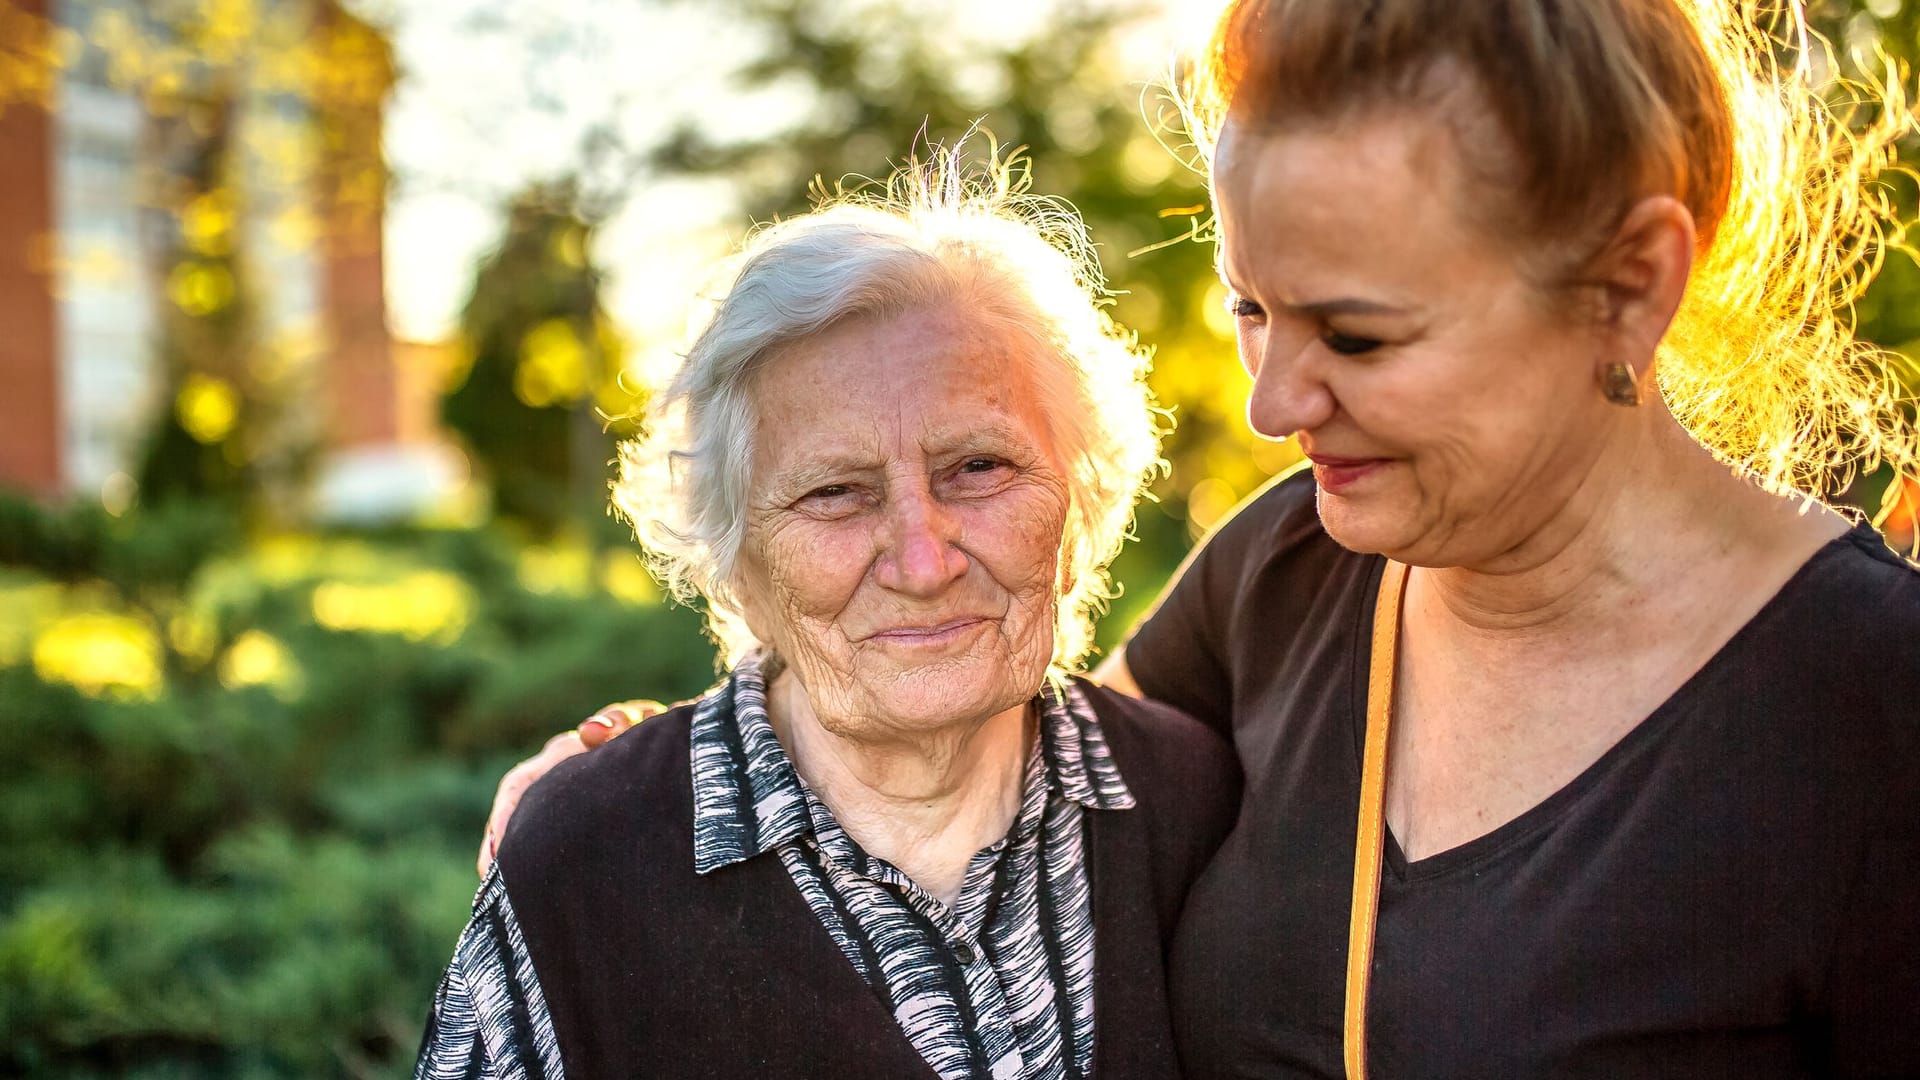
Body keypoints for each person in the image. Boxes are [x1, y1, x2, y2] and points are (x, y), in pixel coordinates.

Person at [481, 1, 1920, 1075]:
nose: (1274, 400)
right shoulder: (1291, 568)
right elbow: (985, 759)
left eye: (1356, 330)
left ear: (1630, 283)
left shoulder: (1869, 707)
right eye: (1251, 306)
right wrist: (649, 802)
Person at [413, 154, 1239, 1080]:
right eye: (836, 493)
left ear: (1081, 503)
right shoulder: (589, 860)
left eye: (979, 468)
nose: (923, 562)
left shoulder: (1196, 802)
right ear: (736, 560)